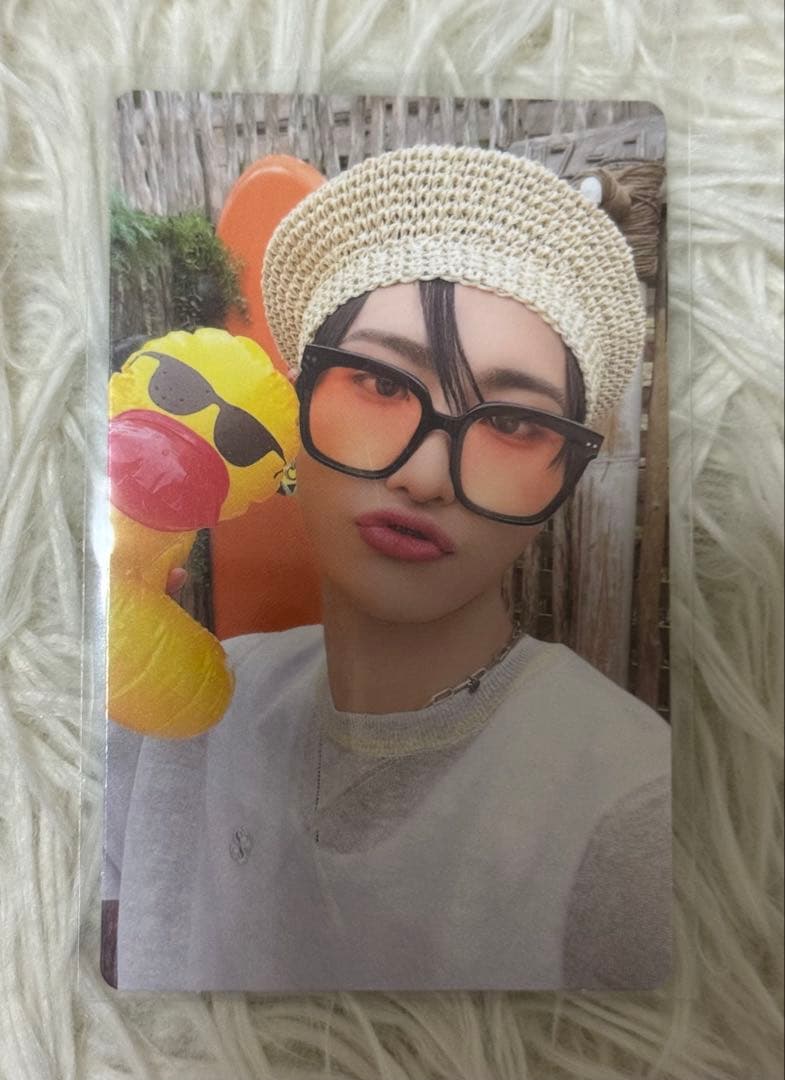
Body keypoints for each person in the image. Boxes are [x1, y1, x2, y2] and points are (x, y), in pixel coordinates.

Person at [106, 145, 671, 992]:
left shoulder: (631, 817)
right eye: (378, 383)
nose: (425, 475)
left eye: (512, 423)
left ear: (565, 476)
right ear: (296, 406)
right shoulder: (180, 709)